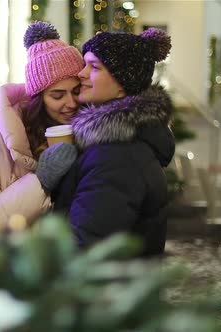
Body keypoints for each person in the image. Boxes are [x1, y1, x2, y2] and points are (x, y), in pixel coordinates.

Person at [0, 21, 85, 247]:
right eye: (57, 95)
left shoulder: (84, 131)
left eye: (76, 91)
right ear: (38, 98)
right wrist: (40, 182)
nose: (70, 103)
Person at [52, 28, 175, 257]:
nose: (82, 73)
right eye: (85, 63)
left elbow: (84, 246)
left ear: (122, 86)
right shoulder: (117, 141)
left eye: (95, 67)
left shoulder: (116, 156)